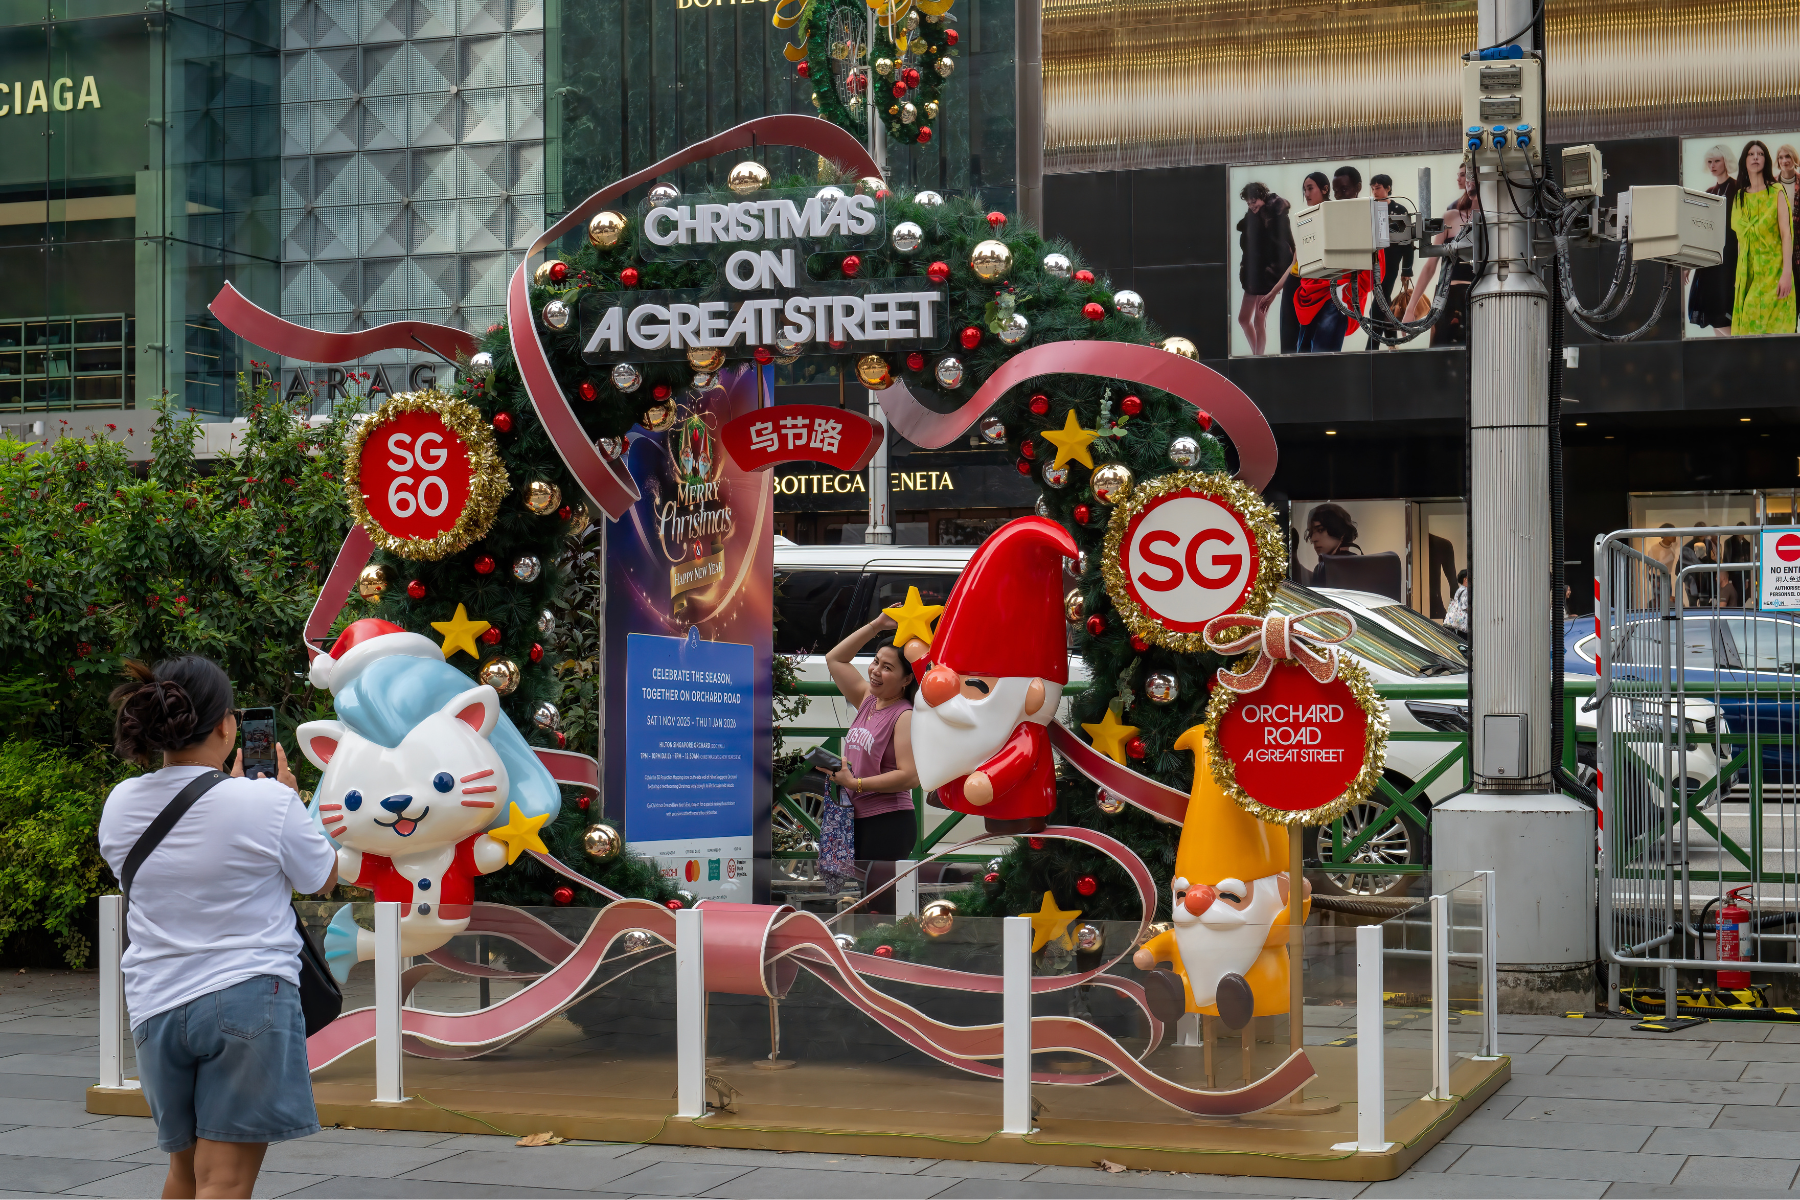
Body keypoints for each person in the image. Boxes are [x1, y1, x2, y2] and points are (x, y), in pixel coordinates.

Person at [97, 657, 334, 1200]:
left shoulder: (120, 804)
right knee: (224, 1181)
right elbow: (321, 877)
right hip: (248, 996)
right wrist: (286, 795)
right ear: (227, 725)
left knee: (186, 1174)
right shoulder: (268, 801)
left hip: (155, 1004)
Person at [823, 612, 921, 868]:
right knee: (860, 901)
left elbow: (910, 776)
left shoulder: (904, 715)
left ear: (907, 679)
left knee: (879, 904)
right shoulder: (868, 698)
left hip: (888, 821)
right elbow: (834, 658)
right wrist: (875, 626)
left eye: (887, 668)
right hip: (855, 818)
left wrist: (856, 783)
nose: (876, 671)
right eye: (876, 662)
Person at [1404, 161, 1478, 344]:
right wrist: (1410, 307)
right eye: (1463, 175)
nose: (1464, 180)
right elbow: (1430, 266)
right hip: (1447, 297)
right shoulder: (1451, 216)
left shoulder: (1494, 219)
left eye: (1469, 175)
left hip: (1479, 296)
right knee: (1441, 354)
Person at [1731, 139, 1795, 335]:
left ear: (1766, 160)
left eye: (1760, 154)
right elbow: (1741, 241)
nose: (1756, 157)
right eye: (1751, 154)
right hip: (1748, 273)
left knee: (1777, 328)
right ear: (1745, 161)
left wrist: (1786, 273)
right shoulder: (1739, 197)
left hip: (1774, 271)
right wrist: (1739, 278)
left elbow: (1786, 234)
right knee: (1749, 327)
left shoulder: (1776, 191)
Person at [1686, 145, 1738, 335]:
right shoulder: (1709, 192)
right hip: (1710, 263)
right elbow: (1701, 231)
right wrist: (1689, 264)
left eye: (1717, 160)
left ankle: (1741, 353)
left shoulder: (1737, 188)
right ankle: (1728, 360)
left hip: (1730, 261)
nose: (1713, 165)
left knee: (1723, 315)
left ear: (1726, 161)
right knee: (1713, 315)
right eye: (1710, 161)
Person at [1236, 182, 1294, 356]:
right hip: (1253, 275)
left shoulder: (1276, 215)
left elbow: (1288, 246)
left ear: (1263, 197)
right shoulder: (1252, 217)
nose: (1252, 205)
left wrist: (1279, 271)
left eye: (1254, 201)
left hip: (1268, 274)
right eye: (1248, 203)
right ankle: (1257, 355)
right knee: (1243, 319)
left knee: (1259, 320)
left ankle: (1258, 358)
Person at [1279, 172, 1330, 354]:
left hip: (1318, 285)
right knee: (1288, 339)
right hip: (1296, 281)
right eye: (1304, 190)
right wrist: (1272, 292)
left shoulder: (1333, 214)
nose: (1306, 194)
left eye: (1310, 188)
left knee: (1311, 339)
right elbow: (1296, 260)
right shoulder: (1303, 217)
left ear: (1325, 189)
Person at [1371, 174, 1414, 311]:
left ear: (1388, 188)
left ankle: (1374, 331)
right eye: (1372, 189)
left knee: (1381, 299)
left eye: (1377, 188)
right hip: (1373, 262)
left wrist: (1407, 268)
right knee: (1382, 299)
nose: (1374, 192)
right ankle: (1390, 331)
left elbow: (1407, 241)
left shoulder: (1399, 210)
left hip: (1391, 261)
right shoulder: (1370, 208)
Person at [1304, 502, 1362, 585]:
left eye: (1320, 530)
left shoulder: (1329, 567)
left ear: (1340, 530)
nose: (1313, 538)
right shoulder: (1323, 567)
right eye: (1311, 532)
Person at [1723, 523, 1756, 607]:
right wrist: (1728, 577)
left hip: (1743, 574)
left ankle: (1740, 608)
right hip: (1733, 573)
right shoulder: (1729, 542)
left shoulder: (1747, 544)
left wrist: (1748, 578)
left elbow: (1748, 560)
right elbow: (1726, 559)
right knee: (1733, 594)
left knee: (1743, 594)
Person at [1444, 569, 1470, 639]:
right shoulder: (1465, 592)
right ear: (1465, 579)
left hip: (1458, 623)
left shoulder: (1459, 590)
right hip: (1464, 625)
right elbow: (1465, 607)